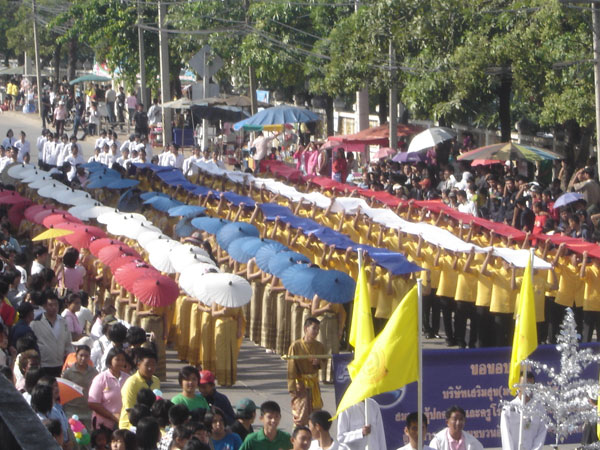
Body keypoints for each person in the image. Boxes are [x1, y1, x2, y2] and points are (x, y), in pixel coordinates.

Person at [287, 317, 327, 426]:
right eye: (314, 328)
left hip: (314, 383)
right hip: (301, 383)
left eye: (318, 329)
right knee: (300, 415)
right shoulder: (296, 346)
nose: (316, 331)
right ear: (306, 329)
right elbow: (291, 368)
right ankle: (298, 434)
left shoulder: (320, 346)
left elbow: (324, 362)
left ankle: (313, 435)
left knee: (316, 415)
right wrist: (292, 387)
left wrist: (318, 362)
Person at [500, 372, 547, 450]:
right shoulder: (508, 409)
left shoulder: (540, 409)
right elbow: (506, 435)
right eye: (524, 385)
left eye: (530, 385)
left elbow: (541, 434)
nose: (527, 388)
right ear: (518, 386)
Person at [88, 348, 130, 430]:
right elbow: (92, 403)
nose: (120, 362)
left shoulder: (128, 378)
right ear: (110, 360)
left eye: (123, 360)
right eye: (117, 359)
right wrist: (112, 416)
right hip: (103, 425)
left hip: (123, 425)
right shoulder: (101, 378)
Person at [30, 294, 72, 377]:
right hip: (43, 365)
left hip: (59, 364)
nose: (54, 307)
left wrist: (70, 359)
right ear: (44, 306)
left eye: (56, 305)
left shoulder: (63, 322)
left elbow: (68, 343)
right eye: (50, 305)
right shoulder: (36, 323)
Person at [119, 348, 160, 429]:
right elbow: (130, 410)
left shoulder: (156, 380)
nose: (150, 368)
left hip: (148, 424)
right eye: (147, 365)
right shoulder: (131, 383)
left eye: (153, 365)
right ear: (138, 365)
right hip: (130, 426)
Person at [61, 344, 98, 429]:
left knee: (87, 436)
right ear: (76, 356)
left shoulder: (94, 373)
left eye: (86, 356)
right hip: (72, 411)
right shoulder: (68, 373)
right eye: (81, 355)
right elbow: (63, 393)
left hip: (88, 412)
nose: (83, 358)